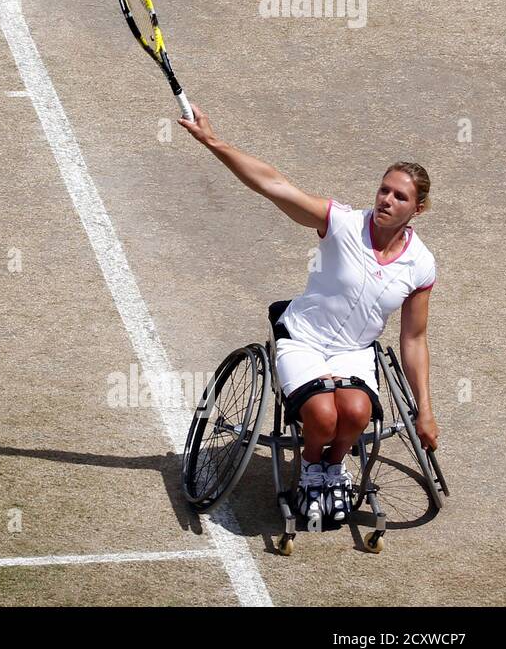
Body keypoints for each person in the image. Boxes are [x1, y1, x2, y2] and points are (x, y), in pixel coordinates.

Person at [180, 105, 437, 530]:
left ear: (418, 208)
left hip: (354, 352)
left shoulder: (421, 265)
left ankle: (330, 467)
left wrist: (424, 409)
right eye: (384, 190)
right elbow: (274, 185)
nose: (386, 200)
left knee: (355, 412)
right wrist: (212, 141)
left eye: (400, 196)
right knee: (321, 416)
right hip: (303, 340)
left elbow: (413, 339)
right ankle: (309, 465)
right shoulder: (340, 223)